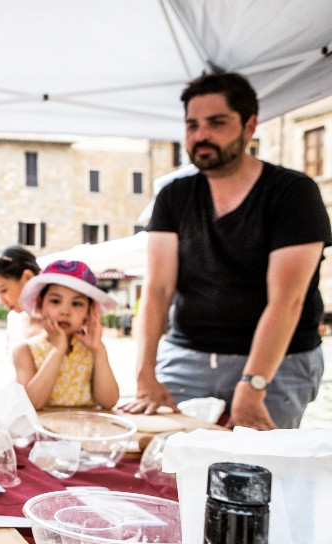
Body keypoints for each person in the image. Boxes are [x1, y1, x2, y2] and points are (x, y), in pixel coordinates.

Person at [121, 72, 331, 430]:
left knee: (255, 473)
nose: (201, 136)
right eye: (192, 125)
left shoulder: (293, 193)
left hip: (278, 361)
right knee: (166, 465)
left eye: (216, 123)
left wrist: (253, 385)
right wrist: (144, 376)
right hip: (188, 354)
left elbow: (287, 301)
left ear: (249, 126)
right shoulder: (174, 196)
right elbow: (157, 291)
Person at [13, 260, 120, 410]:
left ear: (90, 311)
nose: (65, 311)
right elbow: (33, 404)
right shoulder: (25, 351)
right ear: (40, 304)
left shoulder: (92, 350)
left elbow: (109, 402)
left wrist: (99, 350)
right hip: (44, 431)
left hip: (86, 429)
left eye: (76, 304)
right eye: (56, 301)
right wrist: (58, 350)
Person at [0, 245, 43, 353]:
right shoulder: (14, 319)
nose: (1, 301)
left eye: (3, 290)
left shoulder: (59, 318)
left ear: (28, 277)